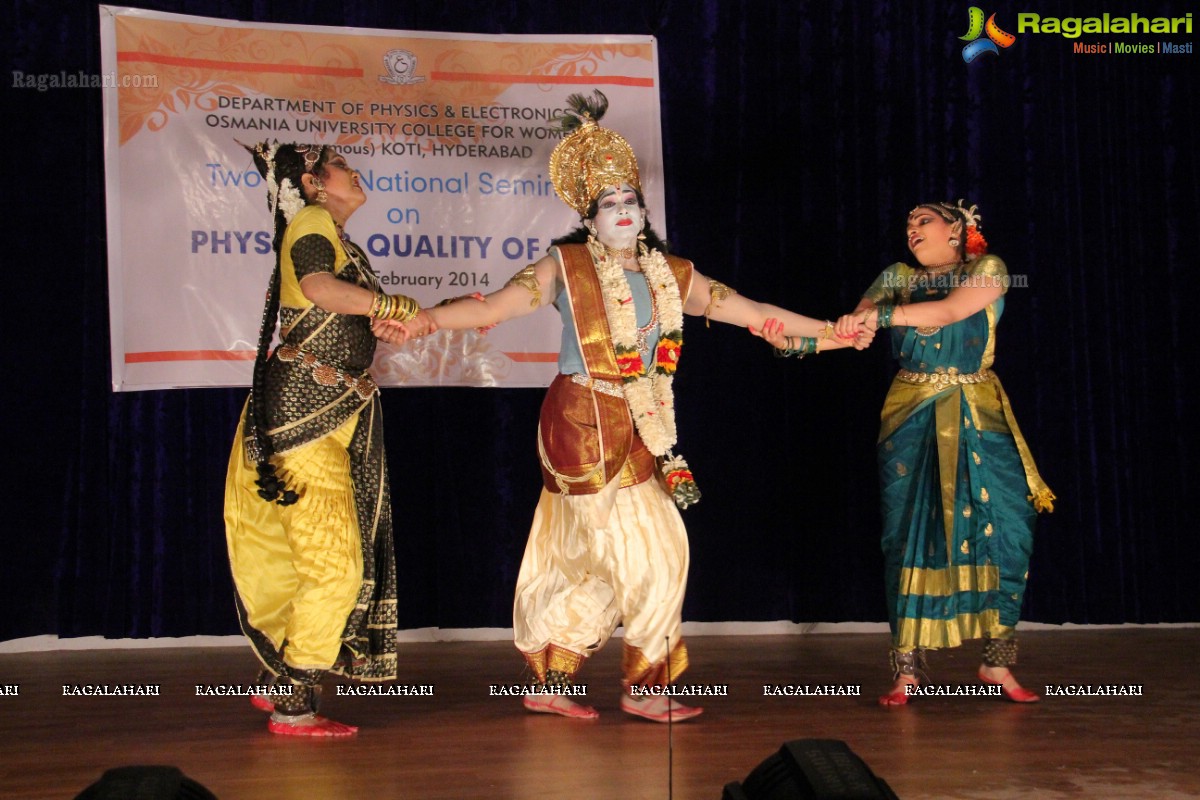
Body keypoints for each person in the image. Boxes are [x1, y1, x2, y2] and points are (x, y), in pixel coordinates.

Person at [390, 91, 864, 721]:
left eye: (629, 200)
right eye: (607, 203)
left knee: (607, 554)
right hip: (580, 421)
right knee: (645, 549)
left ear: (643, 208)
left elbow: (754, 312)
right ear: (589, 217)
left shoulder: (673, 274)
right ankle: (642, 686)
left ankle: (554, 673)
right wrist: (423, 319)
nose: (621, 209)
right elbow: (490, 308)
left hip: (644, 420)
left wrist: (832, 332)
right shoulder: (565, 267)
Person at [763, 200, 1054, 706]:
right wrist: (793, 342)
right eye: (908, 225)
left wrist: (875, 315)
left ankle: (996, 660)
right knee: (908, 536)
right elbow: (853, 329)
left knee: (1009, 526)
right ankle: (906, 671)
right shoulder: (896, 276)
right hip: (912, 415)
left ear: (957, 230)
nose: (912, 231)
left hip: (978, 408)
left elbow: (949, 311)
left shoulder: (987, 270)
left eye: (924, 221)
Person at [224, 141, 433, 735]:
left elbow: (335, 306)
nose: (354, 170)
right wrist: (390, 305)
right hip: (307, 415)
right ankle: (294, 701)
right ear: (314, 183)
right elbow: (318, 287)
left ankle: (279, 684)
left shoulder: (336, 235)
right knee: (335, 565)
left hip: (333, 409)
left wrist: (379, 322)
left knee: (328, 555)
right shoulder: (312, 223)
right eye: (341, 166)